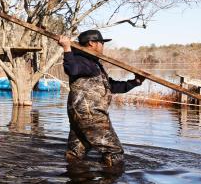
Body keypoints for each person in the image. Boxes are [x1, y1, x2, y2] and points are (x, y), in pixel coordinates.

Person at [58, 30, 144, 167]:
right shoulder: (82, 60)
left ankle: (76, 182)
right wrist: (67, 48)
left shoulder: (94, 64)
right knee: (114, 152)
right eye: (102, 43)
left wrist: (135, 83)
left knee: (75, 153)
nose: (103, 46)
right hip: (91, 115)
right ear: (92, 43)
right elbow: (72, 69)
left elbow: (110, 87)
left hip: (79, 116)